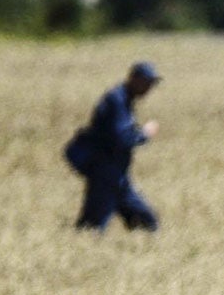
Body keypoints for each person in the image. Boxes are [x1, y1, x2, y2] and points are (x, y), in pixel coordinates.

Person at [64, 61, 160, 232]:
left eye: (152, 83)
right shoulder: (117, 100)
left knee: (146, 222)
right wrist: (144, 134)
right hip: (105, 174)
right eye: (146, 82)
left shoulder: (124, 99)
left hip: (116, 176)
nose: (149, 87)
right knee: (92, 228)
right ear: (133, 78)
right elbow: (122, 138)